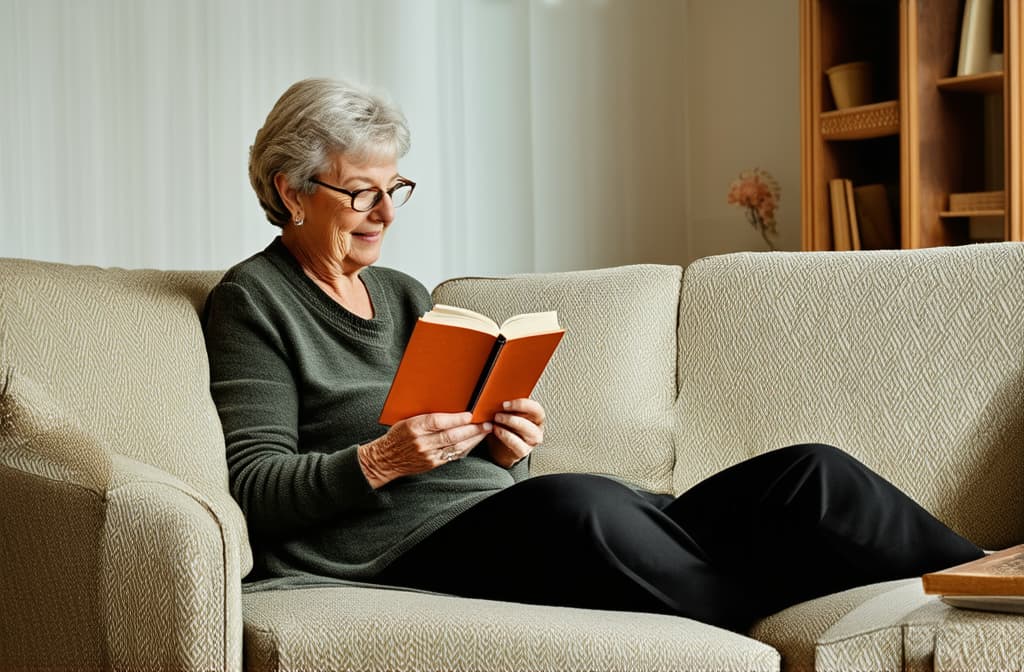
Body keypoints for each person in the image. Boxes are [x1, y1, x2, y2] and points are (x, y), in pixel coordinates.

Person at [202, 77, 983, 633]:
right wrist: (381, 460)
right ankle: (767, 611)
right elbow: (257, 487)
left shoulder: (405, 294)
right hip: (410, 548)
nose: (382, 215)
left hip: (504, 515)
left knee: (810, 472)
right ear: (292, 190)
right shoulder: (255, 301)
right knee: (580, 503)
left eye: (394, 189)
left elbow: (489, 470)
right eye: (359, 193)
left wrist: (506, 445)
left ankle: (994, 574)